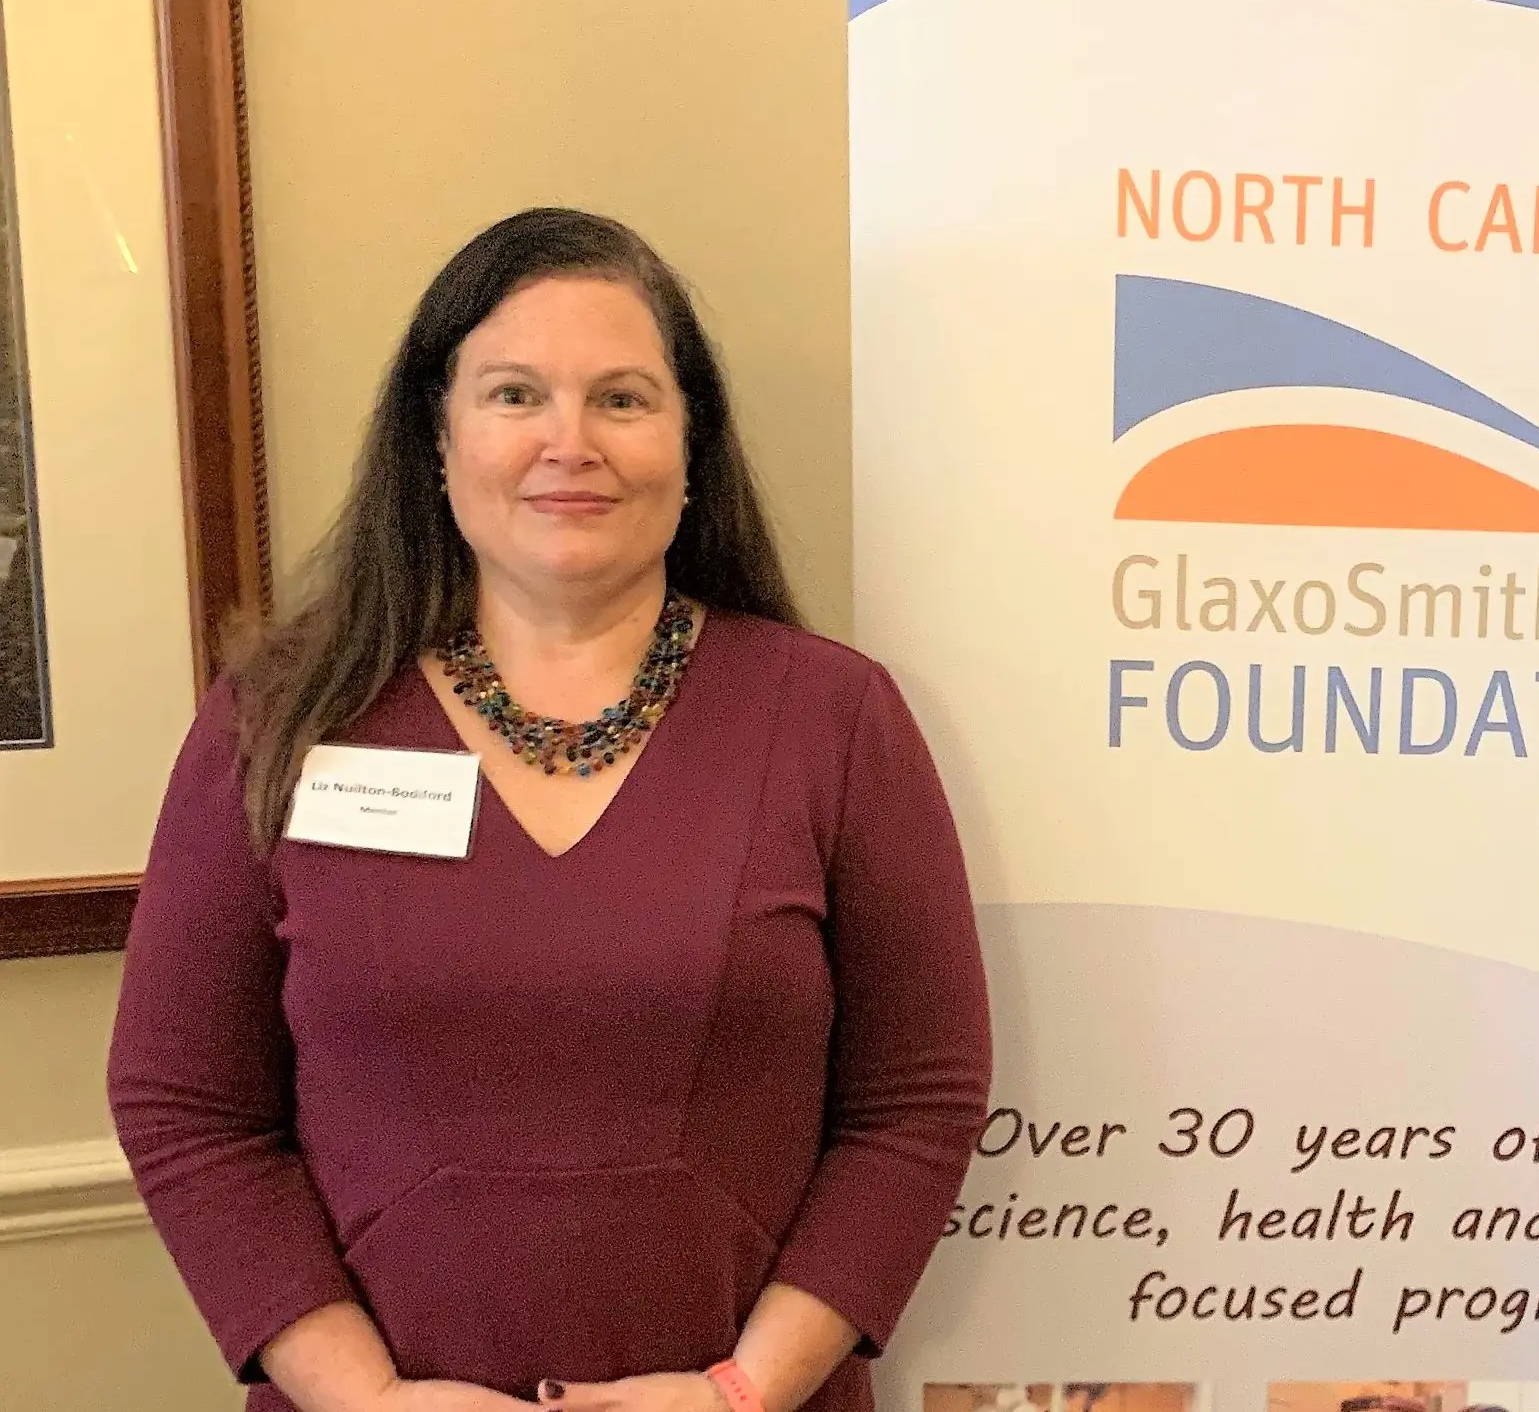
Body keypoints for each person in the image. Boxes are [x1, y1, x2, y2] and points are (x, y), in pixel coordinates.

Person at [109, 209, 993, 1412]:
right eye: (514, 394)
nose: (567, 443)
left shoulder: (833, 718)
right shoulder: (279, 719)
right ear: (436, 436)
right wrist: (362, 1398)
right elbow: (187, 1105)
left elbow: (915, 1103)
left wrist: (741, 1392)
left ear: (692, 448)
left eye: (622, 400)